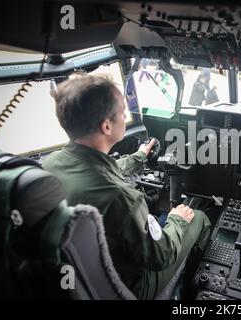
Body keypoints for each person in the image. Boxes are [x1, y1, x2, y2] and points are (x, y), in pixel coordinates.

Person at [43, 74, 211, 300]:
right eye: (122, 112)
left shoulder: (52, 162)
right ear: (106, 126)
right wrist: (178, 219)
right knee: (198, 217)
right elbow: (161, 255)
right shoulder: (122, 198)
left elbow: (100, 170)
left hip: (76, 276)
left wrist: (139, 157)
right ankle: (189, 292)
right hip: (129, 288)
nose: (125, 116)